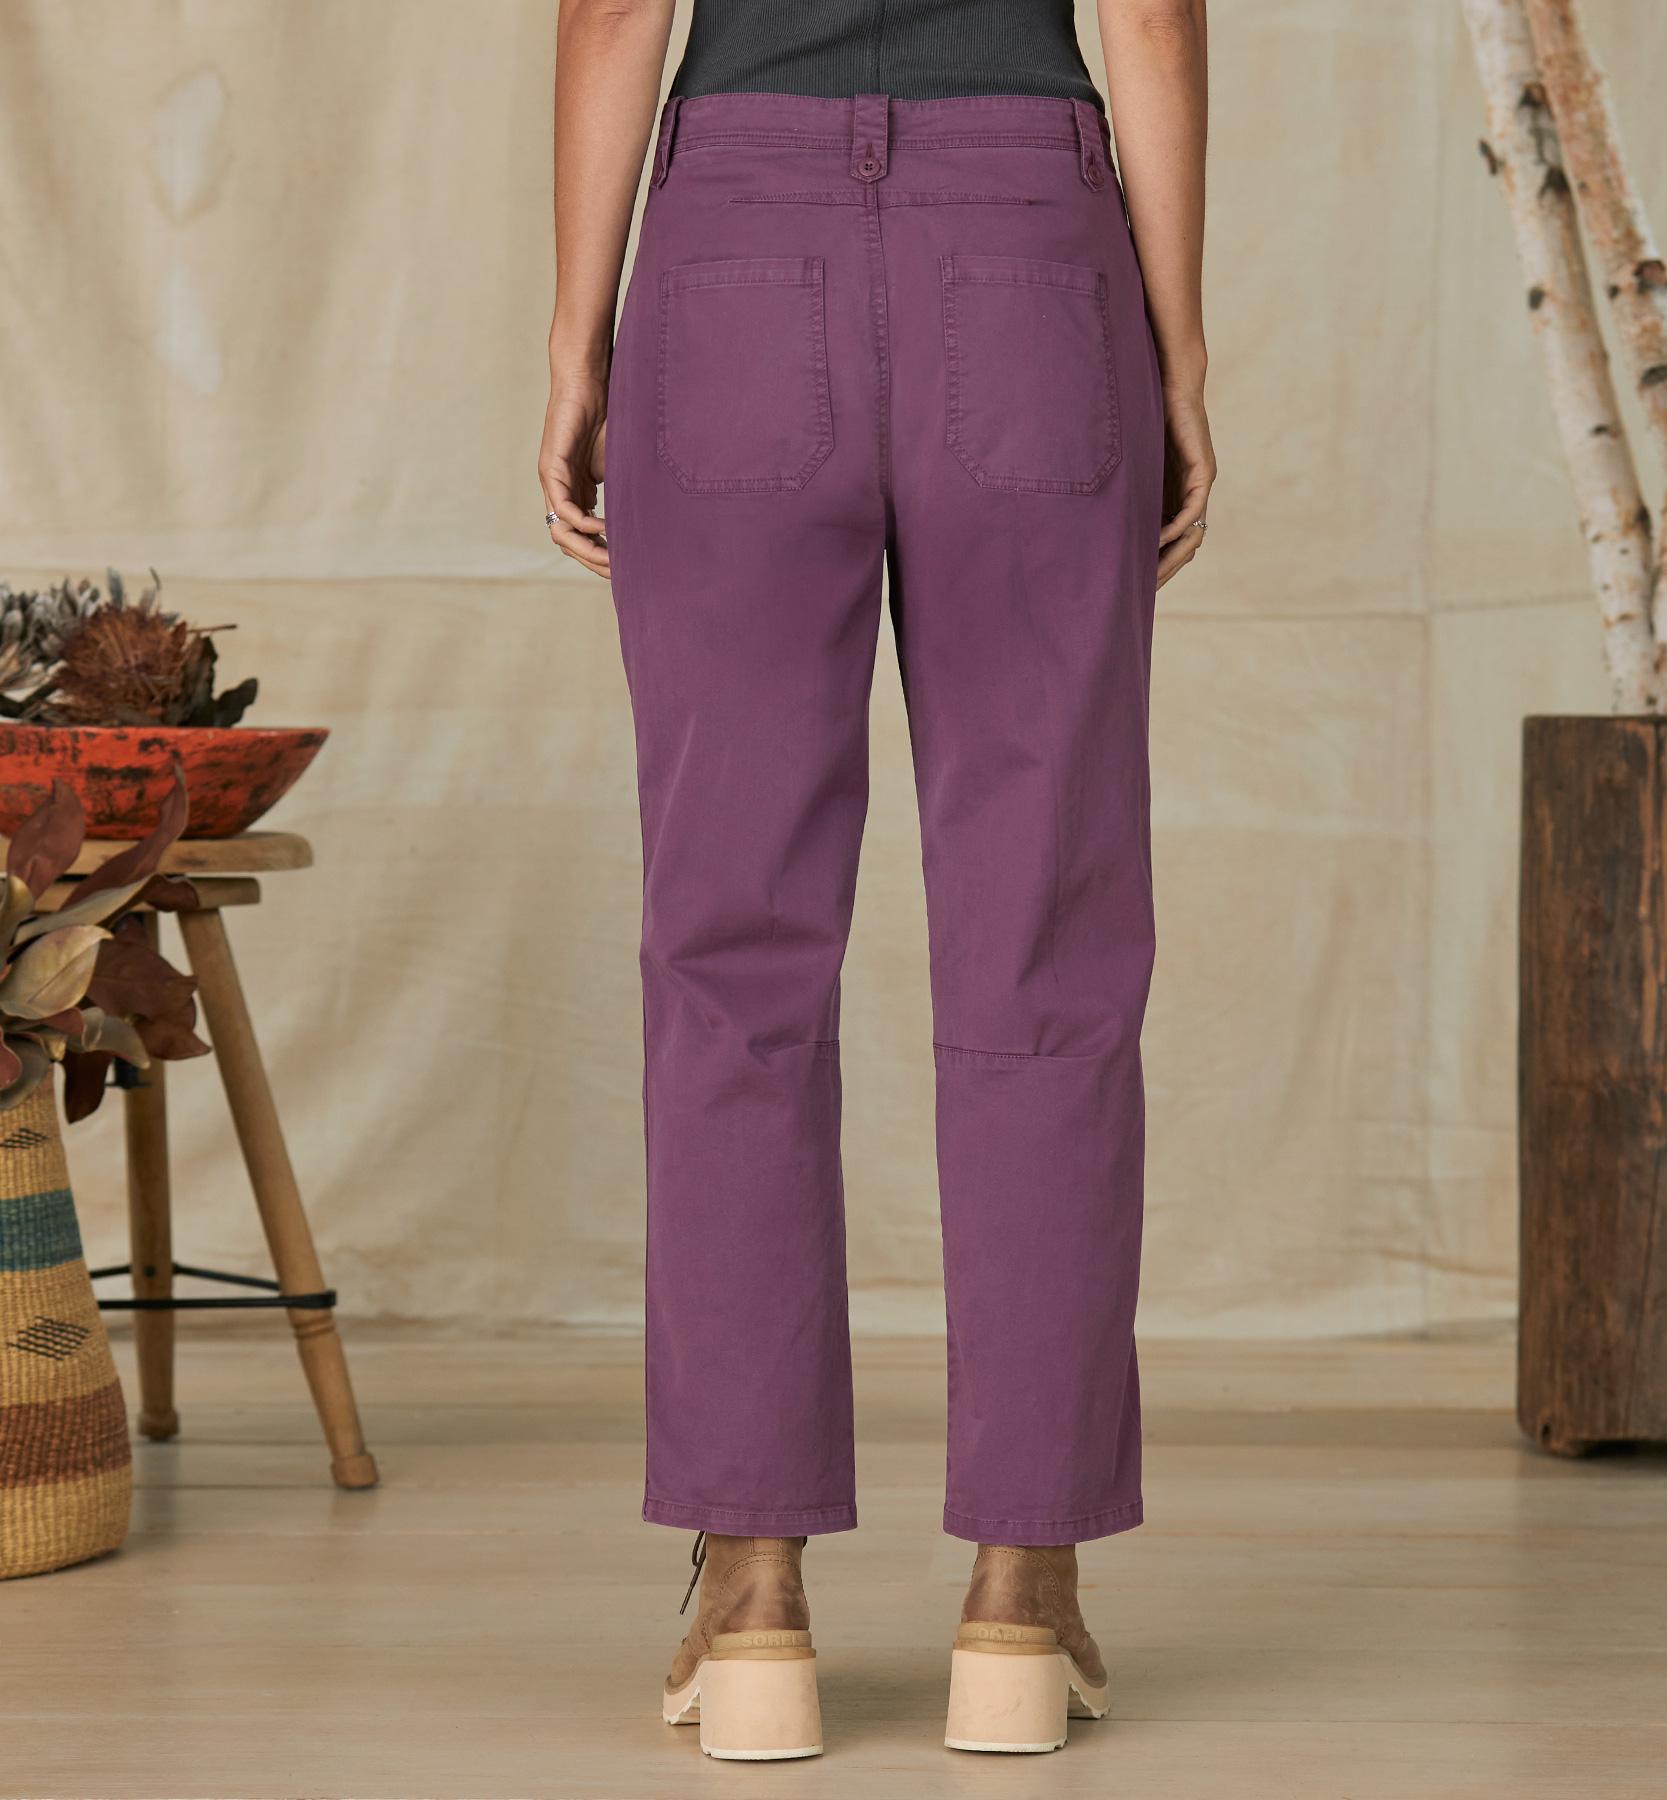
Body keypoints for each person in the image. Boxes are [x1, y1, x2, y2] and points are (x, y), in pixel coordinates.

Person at [540, 0, 1213, 1761]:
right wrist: (1179, 348)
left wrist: (576, 339)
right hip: (1034, 244)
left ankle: (754, 1599)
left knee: (729, 958)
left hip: (732, 245)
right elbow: (1147, 10)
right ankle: (1022, 1592)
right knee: (1047, 947)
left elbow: (616, 9)